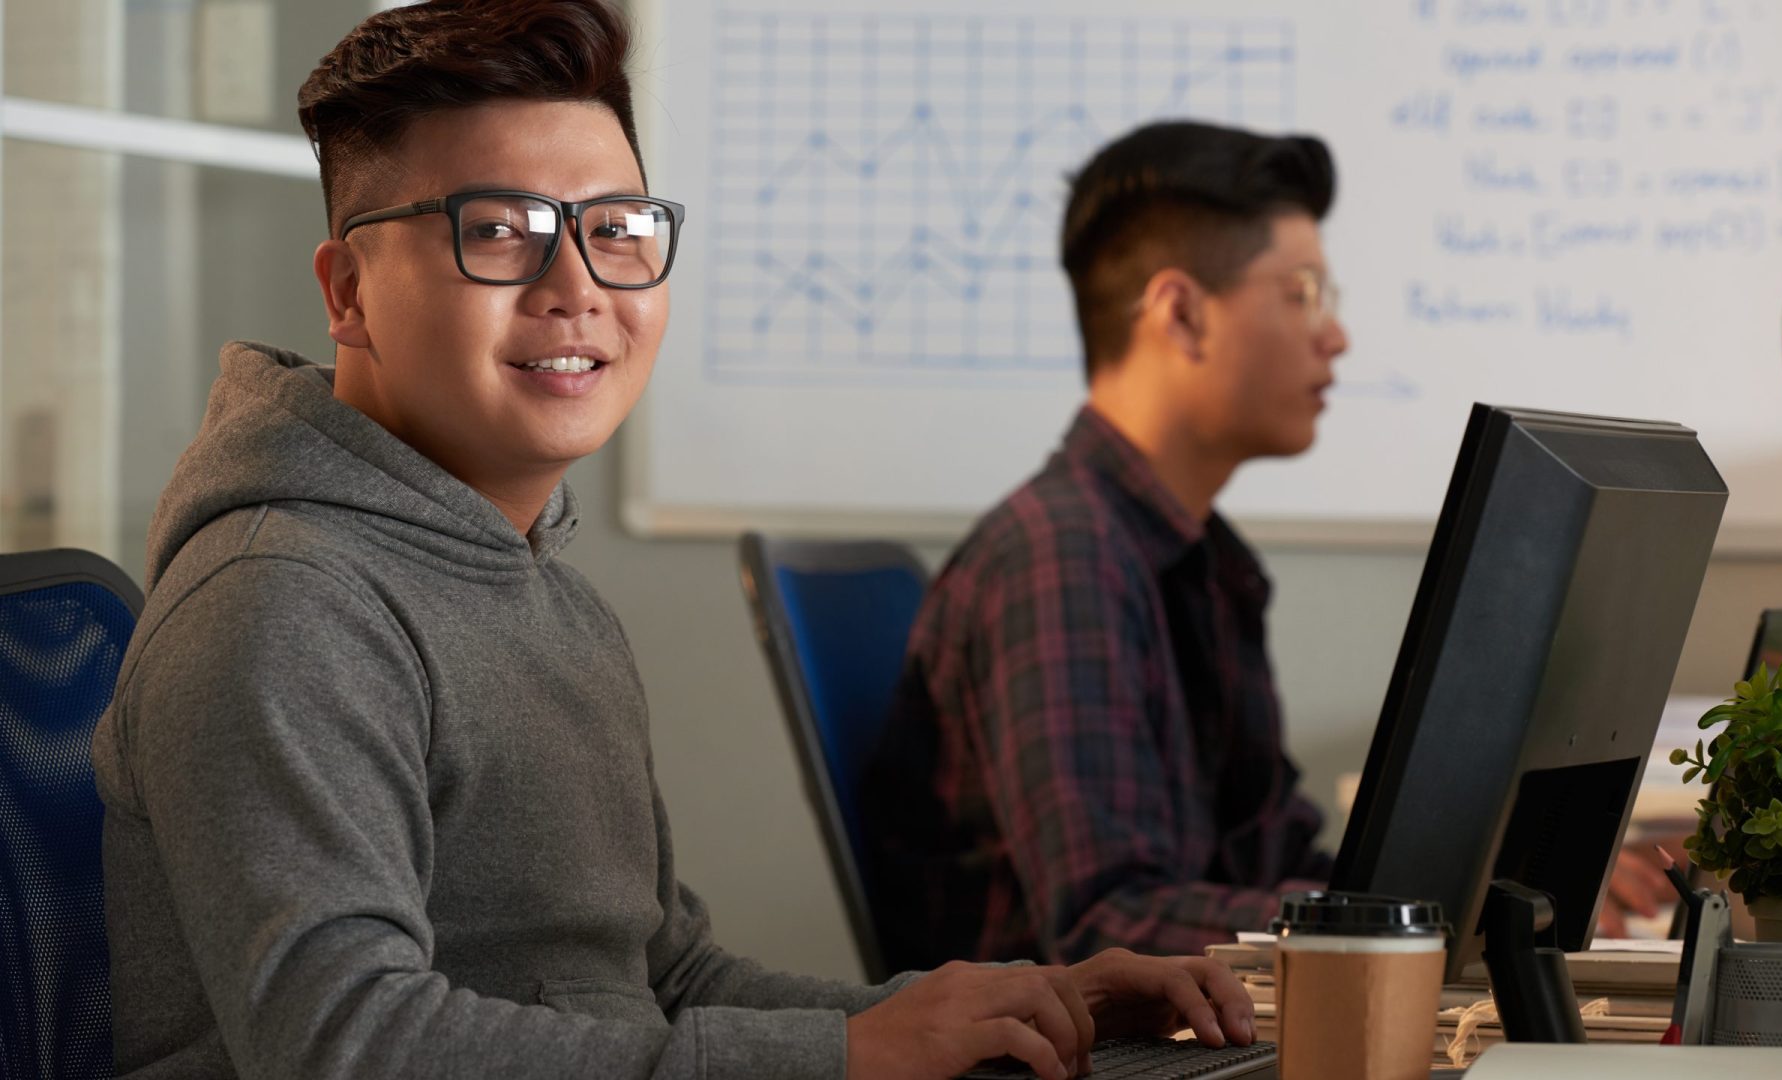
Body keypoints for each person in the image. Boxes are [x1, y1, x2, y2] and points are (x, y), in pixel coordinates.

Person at [88, 4, 1253, 1078]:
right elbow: (345, 1045)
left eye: (616, 229)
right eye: (499, 230)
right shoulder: (282, 602)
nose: (576, 285)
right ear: (348, 293)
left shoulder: (555, 602)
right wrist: (844, 1060)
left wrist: (1007, 1007)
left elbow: (667, 982)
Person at [866, 121, 1665, 968]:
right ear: (1181, 314)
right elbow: (1110, 922)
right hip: (1088, 1035)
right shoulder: (1058, 561)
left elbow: (1270, 859)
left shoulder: (1205, 560)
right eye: (1302, 293)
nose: (1336, 336)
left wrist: (1482, 890)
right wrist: (1408, 920)